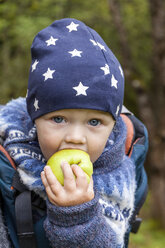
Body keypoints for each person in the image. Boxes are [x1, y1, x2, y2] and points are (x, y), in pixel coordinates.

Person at [0, 18, 137, 248]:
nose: (75, 137)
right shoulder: (10, 144)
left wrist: (77, 215)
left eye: (94, 121)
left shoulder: (117, 171)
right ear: (35, 118)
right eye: (58, 118)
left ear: (112, 125)